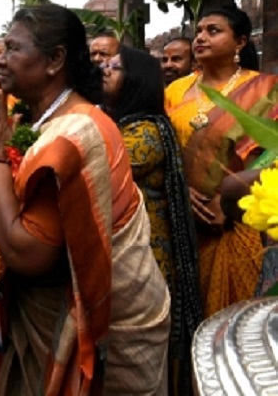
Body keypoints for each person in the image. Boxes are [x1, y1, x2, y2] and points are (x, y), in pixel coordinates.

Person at [0, 5, 170, 395]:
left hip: (113, 330)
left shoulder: (71, 137)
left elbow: (26, 254)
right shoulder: (48, 120)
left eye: (14, 48)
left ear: (55, 60)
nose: (1, 57)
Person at [165, 4, 278, 318]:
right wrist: (181, 192)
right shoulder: (175, 90)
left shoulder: (266, 89)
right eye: (199, 31)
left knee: (232, 321)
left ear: (240, 42)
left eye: (213, 31)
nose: (201, 37)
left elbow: (272, 156)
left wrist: (227, 199)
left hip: (236, 223)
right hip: (183, 222)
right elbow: (163, 151)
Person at [102, 45, 202, 396]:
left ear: (135, 81)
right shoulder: (119, 124)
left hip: (148, 259)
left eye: (114, 67)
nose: (104, 70)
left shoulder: (145, 133)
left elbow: (96, 168)